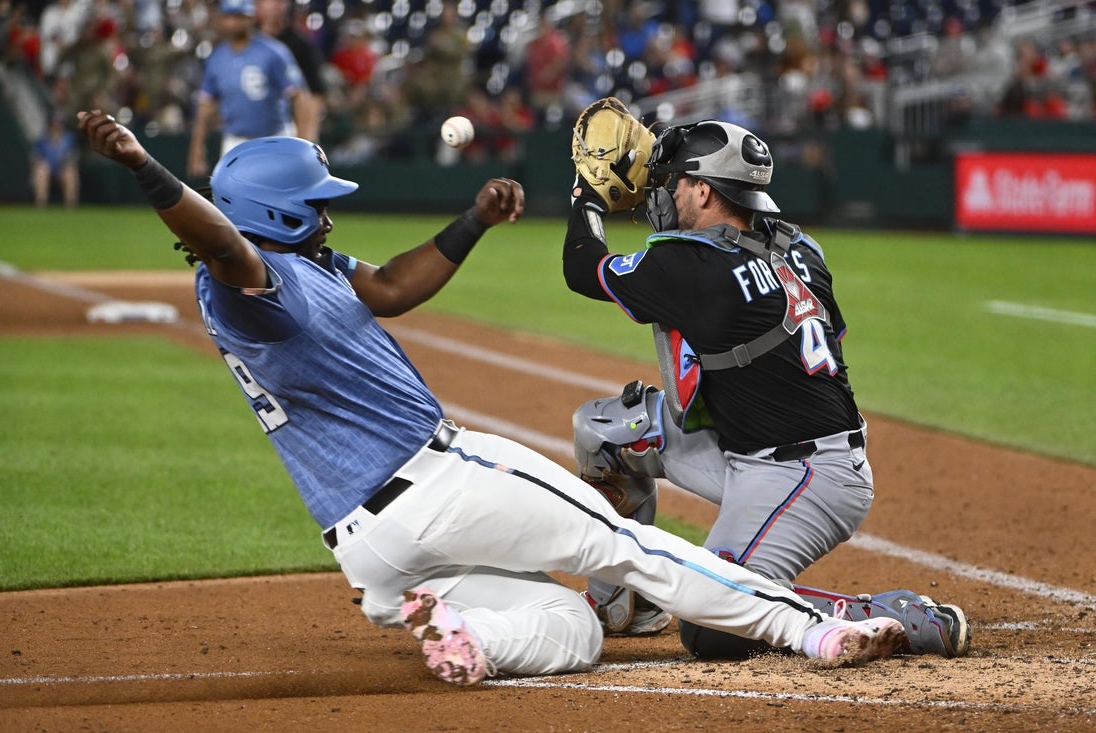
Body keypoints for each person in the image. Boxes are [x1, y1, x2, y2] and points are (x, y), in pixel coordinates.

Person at [77, 107, 909, 687]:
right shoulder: (242, 281)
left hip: (372, 552)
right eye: (316, 207)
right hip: (436, 481)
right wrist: (147, 167)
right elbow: (221, 241)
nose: (330, 218)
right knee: (624, 543)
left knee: (573, 628)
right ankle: (812, 627)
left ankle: (470, 636)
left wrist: (472, 220)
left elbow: (396, 286)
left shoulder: (306, 264)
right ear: (272, 214)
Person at [564, 114, 972, 659]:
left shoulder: (691, 265)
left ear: (705, 191)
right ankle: (627, 606)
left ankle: (885, 616)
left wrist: (587, 198)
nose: (668, 193)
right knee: (605, 433)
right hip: (755, 441)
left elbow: (581, 266)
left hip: (805, 475)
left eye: (678, 182)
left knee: (711, 626)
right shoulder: (802, 246)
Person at [187, 0, 317, 180]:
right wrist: (197, 148)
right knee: (230, 202)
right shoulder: (217, 57)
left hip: (274, 137)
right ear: (221, 19)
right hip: (234, 140)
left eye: (240, 16)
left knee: (278, 197)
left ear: (252, 17)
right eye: (230, 17)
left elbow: (300, 96)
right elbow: (206, 105)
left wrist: (304, 143)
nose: (234, 22)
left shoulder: (273, 51)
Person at [256, 0, 326, 141]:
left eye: (279, 2)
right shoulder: (245, 39)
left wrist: (307, 134)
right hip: (245, 128)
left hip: (285, 128)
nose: (275, 6)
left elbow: (315, 92)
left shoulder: (300, 43)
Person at [31, 113, 79, 207]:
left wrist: (65, 165)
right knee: (41, 171)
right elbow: (35, 159)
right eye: (54, 124)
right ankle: (41, 204)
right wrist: (42, 164)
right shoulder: (42, 140)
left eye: (58, 124)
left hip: (62, 171)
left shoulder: (68, 139)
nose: (56, 127)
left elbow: (73, 158)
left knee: (70, 172)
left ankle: (70, 205)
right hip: (47, 171)